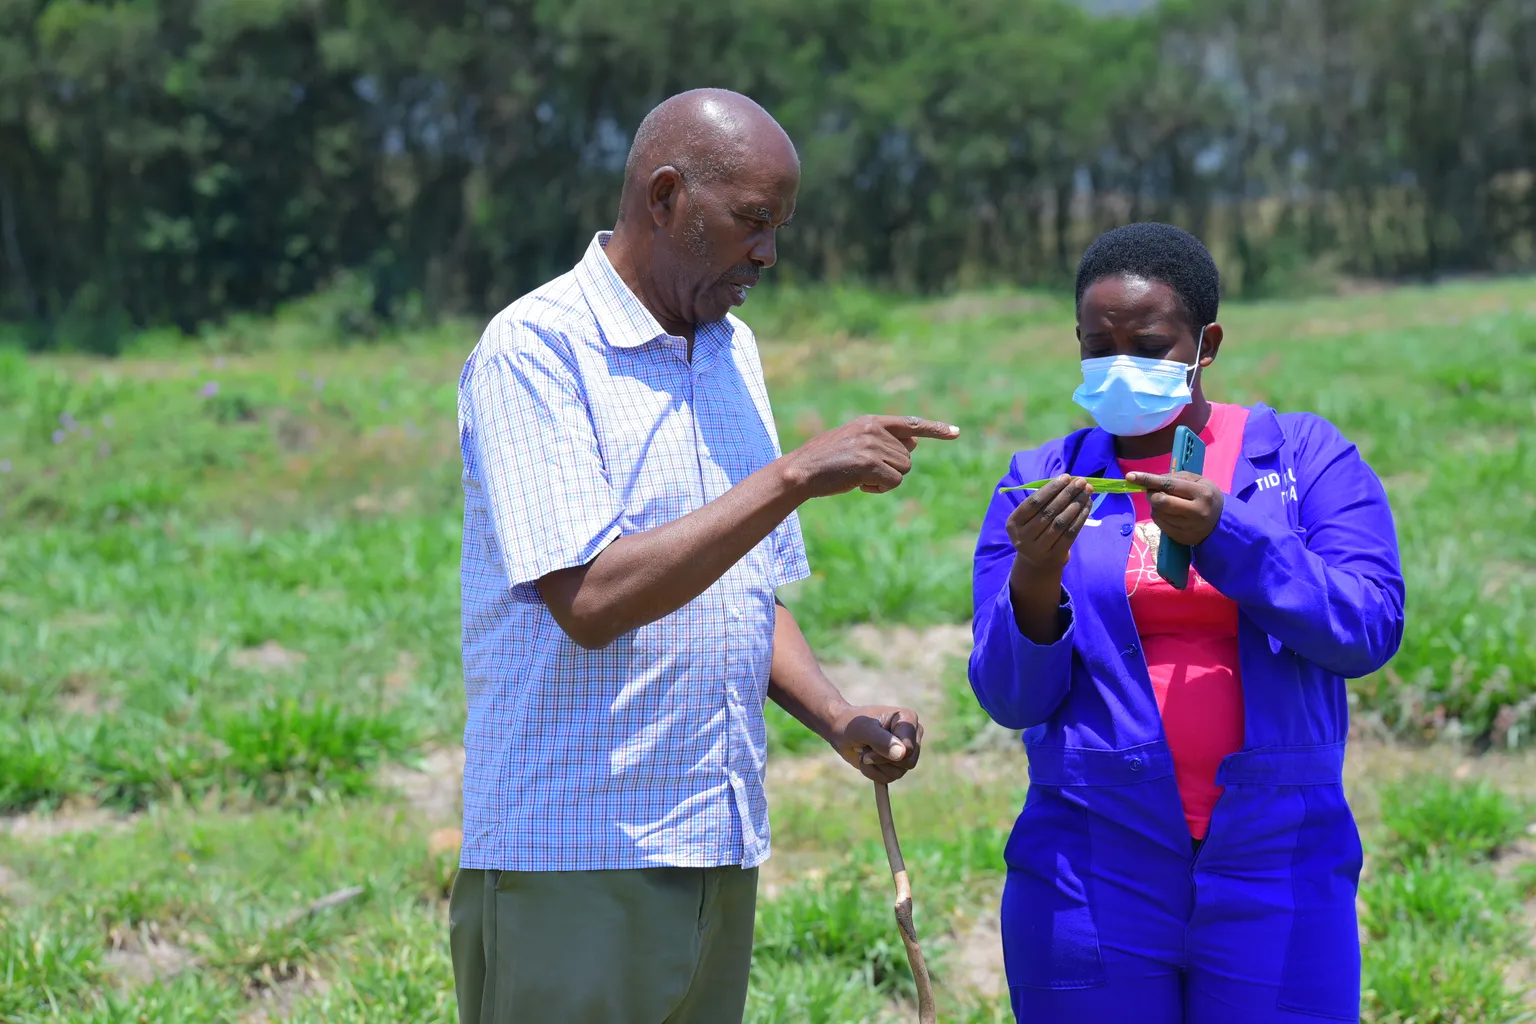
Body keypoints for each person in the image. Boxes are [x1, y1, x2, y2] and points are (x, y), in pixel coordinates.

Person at [450, 88, 960, 1024]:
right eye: (751, 221)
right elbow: (591, 598)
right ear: (666, 197)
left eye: (781, 226)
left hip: (713, 846)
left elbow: (745, 590)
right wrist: (797, 473)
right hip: (574, 858)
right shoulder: (535, 351)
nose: (768, 253)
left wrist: (839, 717)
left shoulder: (730, 351)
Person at [969, 222, 1404, 1023]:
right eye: (1099, 345)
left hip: (1277, 857)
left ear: (1206, 343)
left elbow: (1368, 627)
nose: (1119, 363)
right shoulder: (1040, 481)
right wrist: (1035, 573)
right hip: (1092, 859)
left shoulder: (1303, 460)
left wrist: (1229, 537)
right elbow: (1008, 698)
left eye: (1149, 342)